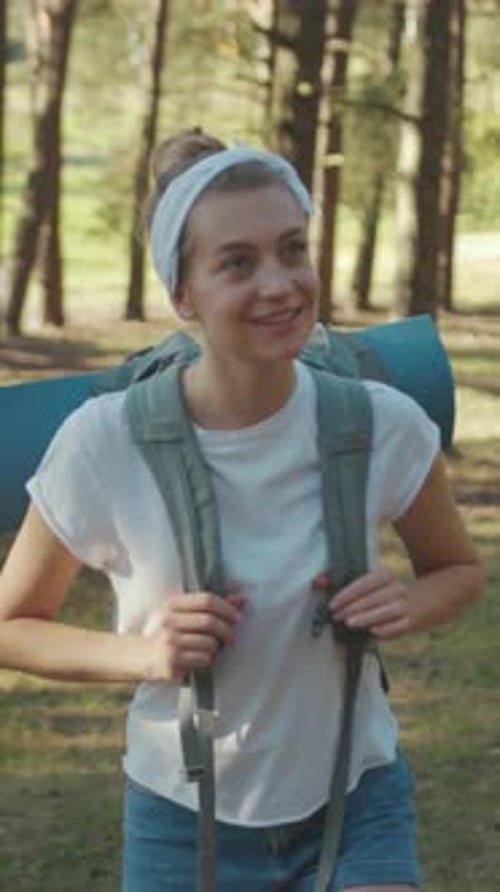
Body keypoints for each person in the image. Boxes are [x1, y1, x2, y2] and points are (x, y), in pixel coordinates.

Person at [0, 128, 482, 892]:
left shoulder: (381, 423)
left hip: (356, 797)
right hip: (179, 816)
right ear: (182, 294)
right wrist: (145, 655)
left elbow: (456, 570)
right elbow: (11, 625)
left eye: (293, 250)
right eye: (238, 263)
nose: (280, 284)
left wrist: (408, 603)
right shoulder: (105, 440)